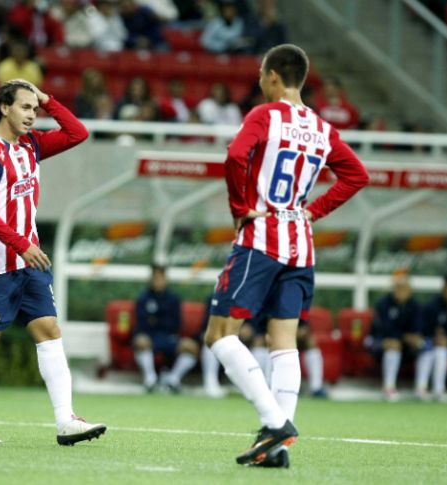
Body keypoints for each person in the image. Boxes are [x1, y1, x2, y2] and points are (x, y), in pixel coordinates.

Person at [204, 44, 369, 467]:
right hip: (301, 244)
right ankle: (276, 450)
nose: (260, 82)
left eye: (262, 75)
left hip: (262, 237)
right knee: (284, 343)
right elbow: (357, 175)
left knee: (220, 335)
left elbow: (237, 154)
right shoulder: (321, 127)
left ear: (273, 75)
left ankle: (274, 423)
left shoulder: (265, 115)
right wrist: (313, 211)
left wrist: (240, 208)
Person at [0, 79, 106, 446]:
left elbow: (77, 132)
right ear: (4, 108)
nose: (32, 115)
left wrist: (48, 99)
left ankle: (66, 420)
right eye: (25, 107)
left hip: (29, 261)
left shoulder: (31, 146)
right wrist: (21, 244)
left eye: (34, 110)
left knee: (49, 331)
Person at [133, 265, 200, 393]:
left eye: (161, 278)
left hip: (169, 337)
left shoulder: (173, 299)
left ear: (166, 279)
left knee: (191, 346)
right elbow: (142, 324)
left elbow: (176, 324)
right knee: (141, 341)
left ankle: (173, 380)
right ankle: (150, 380)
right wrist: (160, 320)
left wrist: (155, 319)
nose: (158, 281)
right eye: (155, 278)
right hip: (150, 337)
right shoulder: (143, 299)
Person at [366, 270, 424, 401]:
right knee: (392, 346)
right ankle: (389, 387)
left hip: (406, 346)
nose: (401, 291)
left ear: (410, 290)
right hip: (380, 342)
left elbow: (417, 329)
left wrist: (413, 338)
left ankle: (422, 388)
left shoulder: (415, 306)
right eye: (398, 287)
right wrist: (404, 337)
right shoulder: (383, 304)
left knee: (426, 348)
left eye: (404, 288)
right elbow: (383, 330)